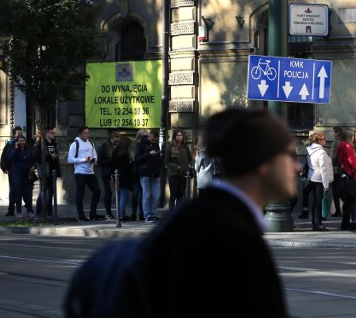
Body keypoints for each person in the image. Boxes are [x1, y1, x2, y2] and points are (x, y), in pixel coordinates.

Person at [63, 107, 296, 317]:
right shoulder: (233, 235)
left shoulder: (201, 213)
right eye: (289, 156)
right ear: (264, 163)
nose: (296, 166)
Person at [67, 126, 103, 222]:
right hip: (80, 172)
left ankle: (93, 213)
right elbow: (70, 159)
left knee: (97, 191)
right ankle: (81, 215)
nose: (87, 135)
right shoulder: (75, 144)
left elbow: (95, 156)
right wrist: (83, 160)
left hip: (90, 172)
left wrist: (94, 160)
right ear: (80, 134)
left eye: (88, 133)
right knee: (80, 194)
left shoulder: (91, 143)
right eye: (85, 133)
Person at [305, 131, 333, 231]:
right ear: (319, 141)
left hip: (313, 178)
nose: (325, 140)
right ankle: (318, 224)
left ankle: (315, 222)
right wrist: (326, 184)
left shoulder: (309, 150)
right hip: (320, 180)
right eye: (323, 139)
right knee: (319, 202)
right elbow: (324, 169)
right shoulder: (321, 152)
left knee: (315, 201)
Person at [135, 129, 162, 223]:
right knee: (147, 195)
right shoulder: (141, 144)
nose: (154, 141)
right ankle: (147, 215)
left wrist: (159, 168)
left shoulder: (155, 144)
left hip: (155, 173)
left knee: (156, 195)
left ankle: (152, 214)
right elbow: (137, 159)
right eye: (153, 139)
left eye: (156, 140)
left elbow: (159, 158)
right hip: (145, 173)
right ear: (149, 136)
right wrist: (149, 154)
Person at [34, 127, 62, 219]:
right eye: (51, 132)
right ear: (46, 134)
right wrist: (51, 157)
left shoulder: (54, 144)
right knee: (43, 193)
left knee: (50, 194)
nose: (54, 134)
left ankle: (50, 213)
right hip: (44, 172)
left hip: (52, 172)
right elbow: (37, 158)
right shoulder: (41, 145)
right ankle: (38, 214)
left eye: (54, 133)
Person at [337, 128, 356, 230]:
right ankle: (346, 224)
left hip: (344, 174)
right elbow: (353, 162)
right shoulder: (348, 147)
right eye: (352, 136)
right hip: (350, 176)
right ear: (348, 136)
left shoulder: (341, 146)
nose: (353, 137)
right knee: (349, 201)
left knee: (347, 202)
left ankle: (345, 222)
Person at [164, 129, 194, 210]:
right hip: (173, 174)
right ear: (174, 136)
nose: (179, 137)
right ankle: (171, 214)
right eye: (178, 135)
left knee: (181, 196)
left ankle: (178, 216)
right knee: (173, 196)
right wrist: (176, 167)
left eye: (181, 135)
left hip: (183, 174)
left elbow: (190, 158)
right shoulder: (169, 146)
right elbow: (166, 162)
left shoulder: (185, 146)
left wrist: (189, 166)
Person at [7, 135, 36, 218]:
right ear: (17, 142)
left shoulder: (29, 150)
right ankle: (18, 211)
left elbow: (33, 161)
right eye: (20, 141)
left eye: (23, 140)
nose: (22, 142)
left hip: (27, 174)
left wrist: (33, 166)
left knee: (28, 192)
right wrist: (16, 148)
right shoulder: (14, 150)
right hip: (16, 174)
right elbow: (10, 158)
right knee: (18, 192)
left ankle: (30, 210)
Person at [1, 126, 25, 216]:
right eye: (18, 133)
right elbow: (4, 156)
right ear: (14, 135)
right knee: (13, 191)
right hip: (12, 171)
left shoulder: (25, 143)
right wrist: (4, 167)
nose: (20, 135)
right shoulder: (10, 144)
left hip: (23, 171)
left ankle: (27, 209)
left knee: (23, 190)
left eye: (21, 133)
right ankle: (11, 210)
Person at [97, 132, 120, 220]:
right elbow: (100, 161)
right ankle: (108, 213)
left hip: (116, 172)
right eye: (115, 138)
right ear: (111, 138)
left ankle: (119, 212)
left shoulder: (118, 147)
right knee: (108, 193)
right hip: (108, 173)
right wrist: (111, 161)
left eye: (118, 138)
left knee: (116, 192)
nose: (117, 140)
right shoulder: (105, 146)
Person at [111, 137, 134, 222]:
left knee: (119, 196)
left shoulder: (115, 152)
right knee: (124, 196)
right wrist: (132, 163)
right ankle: (120, 215)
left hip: (117, 175)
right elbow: (127, 167)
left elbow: (112, 164)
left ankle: (120, 214)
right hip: (124, 177)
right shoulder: (124, 154)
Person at [130, 129, 148, 220]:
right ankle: (134, 213)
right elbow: (134, 158)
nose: (147, 137)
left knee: (142, 193)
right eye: (145, 135)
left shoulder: (145, 144)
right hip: (136, 172)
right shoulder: (134, 145)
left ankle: (141, 213)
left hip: (143, 171)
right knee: (136, 193)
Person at [328, 126, 343, 217]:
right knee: (340, 190)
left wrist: (328, 164)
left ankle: (338, 210)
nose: (332, 134)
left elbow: (333, 157)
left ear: (337, 133)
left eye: (333, 132)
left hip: (335, 170)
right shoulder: (343, 141)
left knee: (336, 191)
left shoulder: (335, 143)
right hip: (342, 169)